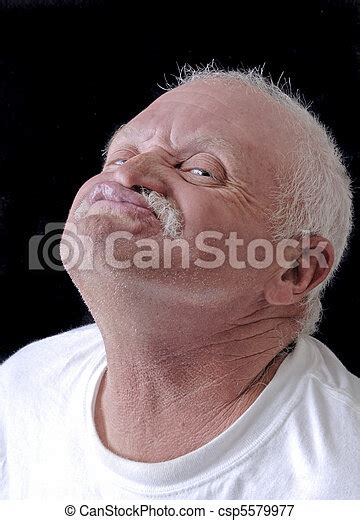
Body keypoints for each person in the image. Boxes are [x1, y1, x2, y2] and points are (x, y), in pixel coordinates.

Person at [1, 64, 359, 500]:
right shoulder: (21, 389)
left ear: (295, 269)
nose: (127, 175)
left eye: (201, 170)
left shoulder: (344, 472)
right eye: (120, 155)